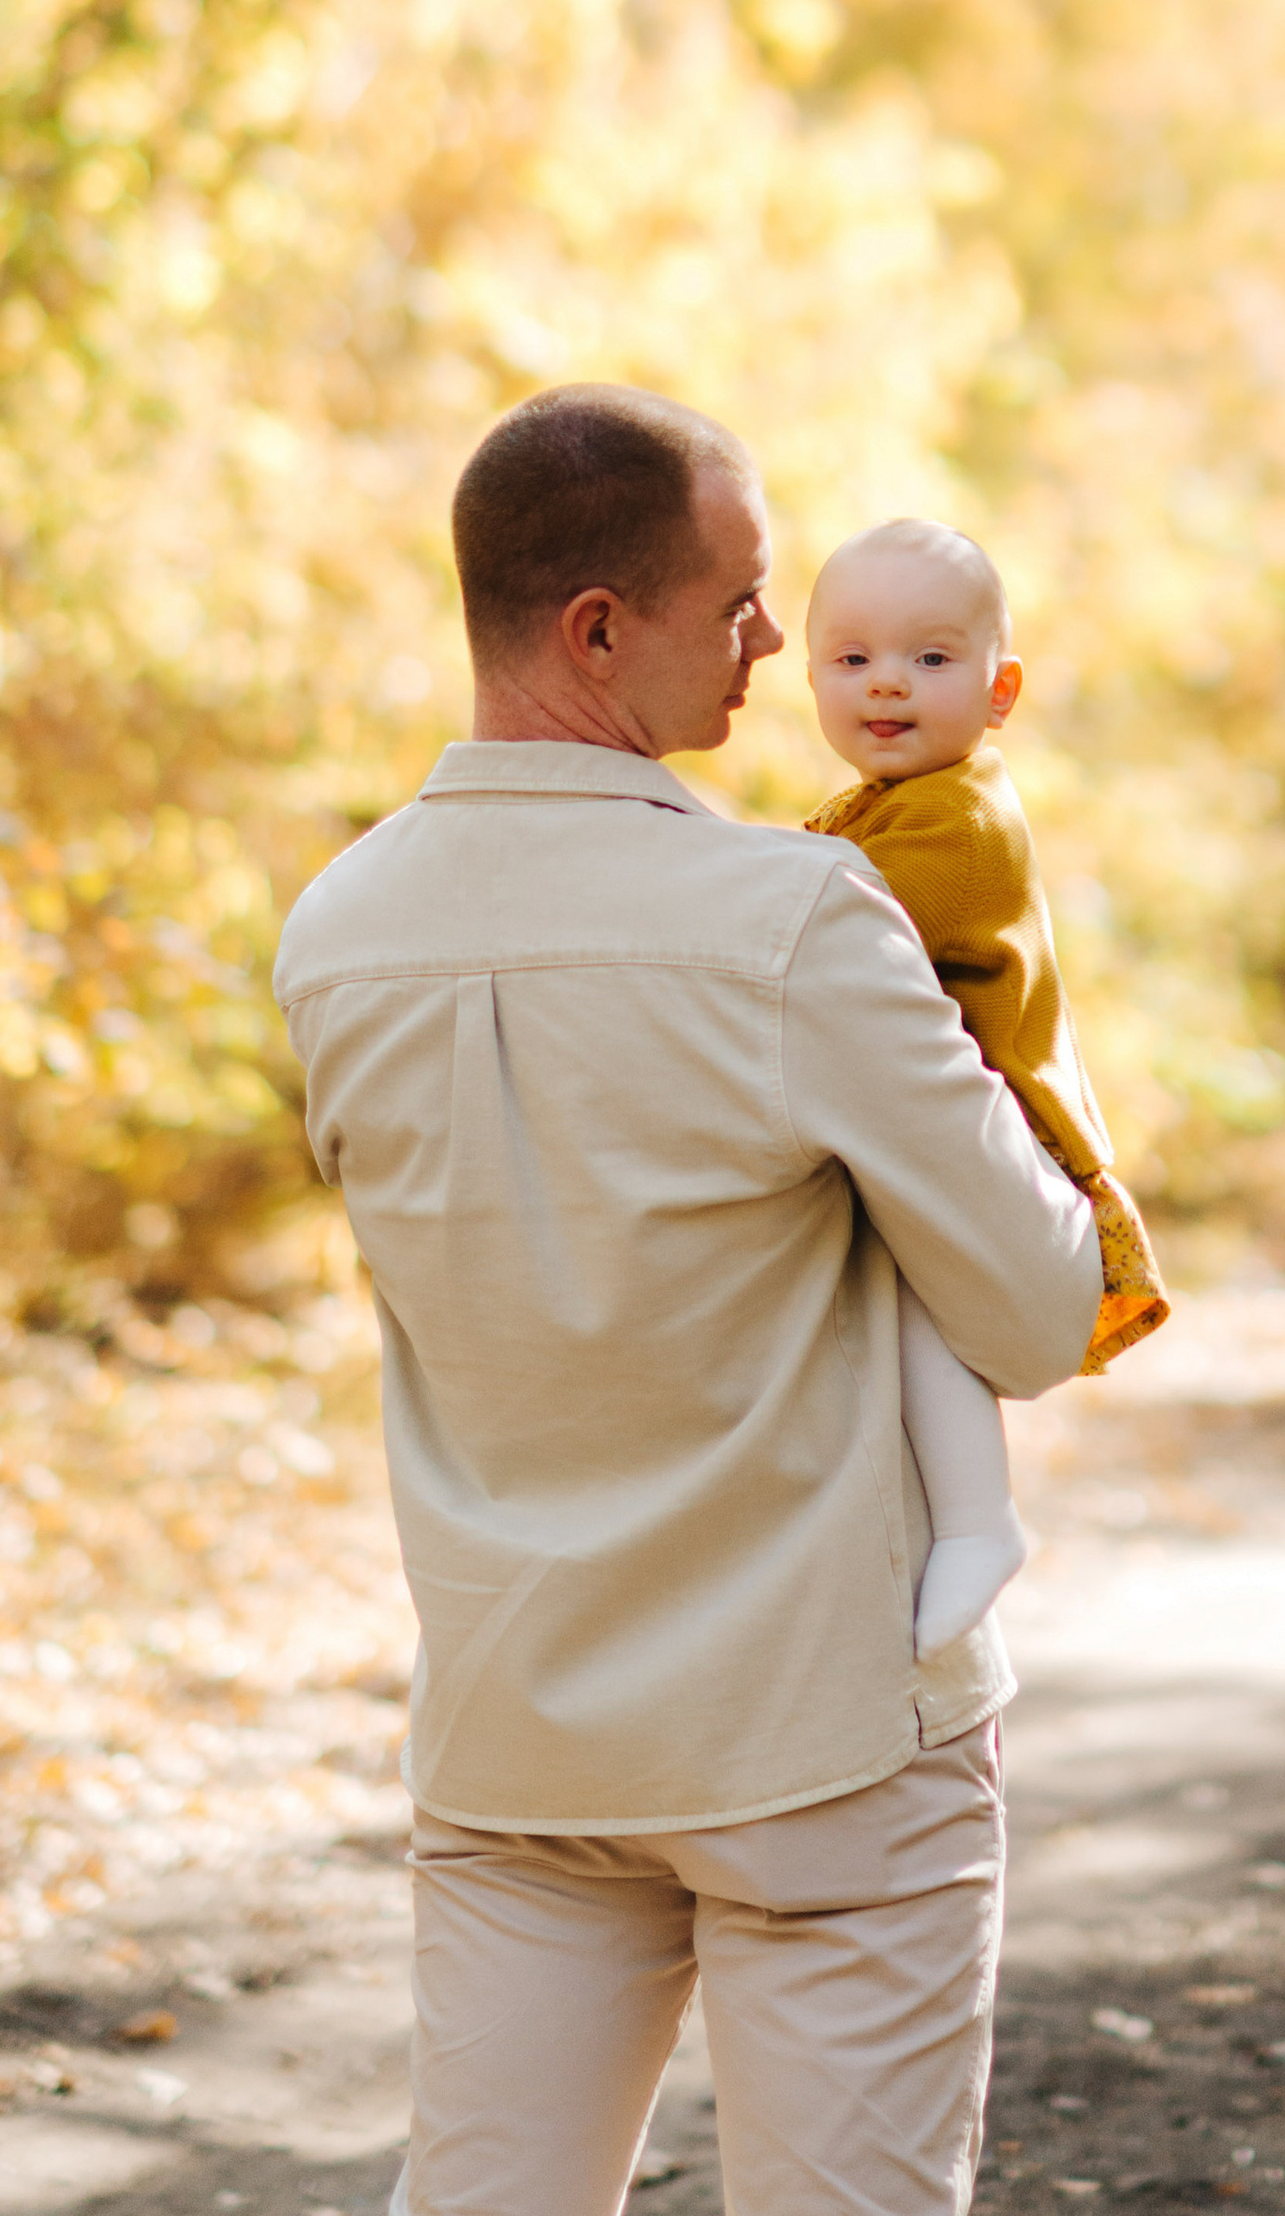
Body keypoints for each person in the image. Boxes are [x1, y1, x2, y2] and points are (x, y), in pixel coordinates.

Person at [272, 386, 1101, 2216]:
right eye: (737, 601)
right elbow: (1042, 1312)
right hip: (821, 1736)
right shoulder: (797, 917)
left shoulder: (330, 936)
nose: (769, 645)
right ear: (596, 631)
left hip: (517, 1736)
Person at [802, 517, 1168, 1656]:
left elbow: (799, 920)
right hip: (945, 1117)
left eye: (931, 658)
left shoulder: (949, 828)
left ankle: (976, 1519)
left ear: (999, 687)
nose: (887, 685)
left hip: (1006, 1139)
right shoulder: (895, 800)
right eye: (851, 659)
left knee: (917, 1305)